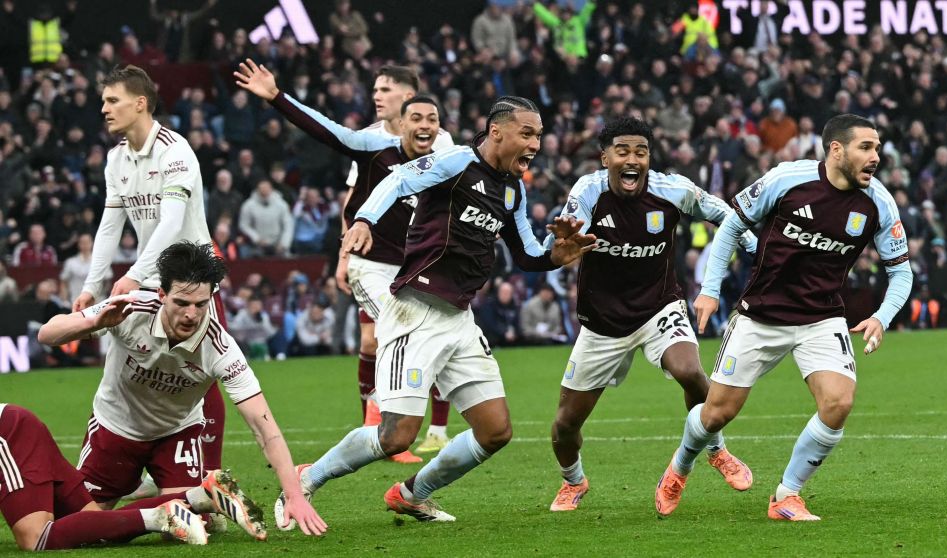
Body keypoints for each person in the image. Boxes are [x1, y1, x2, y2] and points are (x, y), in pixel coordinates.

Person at [272, 96, 595, 528]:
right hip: (415, 312)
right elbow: (398, 181)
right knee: (396, 436)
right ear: (497, 131)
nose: (536, 143)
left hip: (459, 319)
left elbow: (528, 254)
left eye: (538, 134)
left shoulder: (514, 190)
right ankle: (306, 478)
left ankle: (412, 493)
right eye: (528, 133)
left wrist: (559, 255)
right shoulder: (455, 162)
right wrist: (364, 220)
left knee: (495, 430)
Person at [656, 114, 913, 521]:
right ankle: (680, 467)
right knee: (716, 413)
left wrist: (882, 316)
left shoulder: (878, 202)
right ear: (836, 150)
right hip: (761, 316)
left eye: (878, 148)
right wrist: (709, 289)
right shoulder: (787, 180)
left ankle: (786, 496)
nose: (875, 157)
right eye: (866, 147)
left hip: (822, 318)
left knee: (838, 402)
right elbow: (730, 228)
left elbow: (901, 271)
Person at [235, 59, 453, 459]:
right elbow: (330, 136)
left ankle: (418, 427)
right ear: (404, 122)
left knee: (425, 335)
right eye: (417, 119)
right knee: (390, 332)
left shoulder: (445, 150)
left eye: (384, 89)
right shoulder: (372, 143)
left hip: (415, 264)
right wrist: (277, 98)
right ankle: (383, 425)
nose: (376, 96)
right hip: (372, 263)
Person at [38, 241, 327, 537]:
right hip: (115, 429)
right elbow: (47, 333)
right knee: (83, 528)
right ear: (162, 294)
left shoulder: (220, 348)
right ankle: (202, 499)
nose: (191, 314)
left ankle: (205, 498)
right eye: (181, 303)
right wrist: (93, 324)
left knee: (177, 532)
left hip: (176, 433)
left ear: (211, 298)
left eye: (201, 304)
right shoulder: (131, 308)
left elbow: (263, 426)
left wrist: (295, 495)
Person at [546, 117, 757, 512]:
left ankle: (715, 449)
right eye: (622, 151)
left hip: (659, 308)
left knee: (691, 372)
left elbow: (726, 215)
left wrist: (755, 246)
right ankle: (573, 481)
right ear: (604, 156)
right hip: (602, 323)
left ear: (649, 157)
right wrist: (564, 246)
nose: (632, 159)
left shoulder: (673, 190)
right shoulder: (588, 191)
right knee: (564, 425)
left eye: (640, 152)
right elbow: (565, 238)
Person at [72, 65, 228, 484]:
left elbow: (173, 222)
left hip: (192, 279)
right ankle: (109, 465)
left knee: (204, 372)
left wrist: (135, 274)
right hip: (153, 279)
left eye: (112, 100)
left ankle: (208, 479)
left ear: (140, 103)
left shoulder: (175, 152)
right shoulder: (116, 158)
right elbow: (110, 227)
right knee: (121, 363)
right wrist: (92, 286)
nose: (103, 108)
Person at [0, 402, 218, 549]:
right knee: (94, 524)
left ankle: (162, 516)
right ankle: (202, 495)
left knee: (35, 537)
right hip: (15, 423)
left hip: (7, 432)